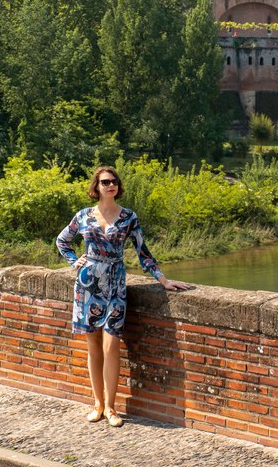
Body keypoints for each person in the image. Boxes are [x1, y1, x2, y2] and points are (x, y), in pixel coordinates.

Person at [56, 166, 191, 427]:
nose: (111, 185)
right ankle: (97, 403)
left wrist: (163, 279)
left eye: (115, 181)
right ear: (96, 187)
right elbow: (62, 241)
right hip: (88, 285)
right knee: (93, 346)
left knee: (111, 345)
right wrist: (75, 261)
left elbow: (143, 251)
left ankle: (111, 407)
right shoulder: (83, 216)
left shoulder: (129, 217)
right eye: (105, 182)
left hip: (116, 285)